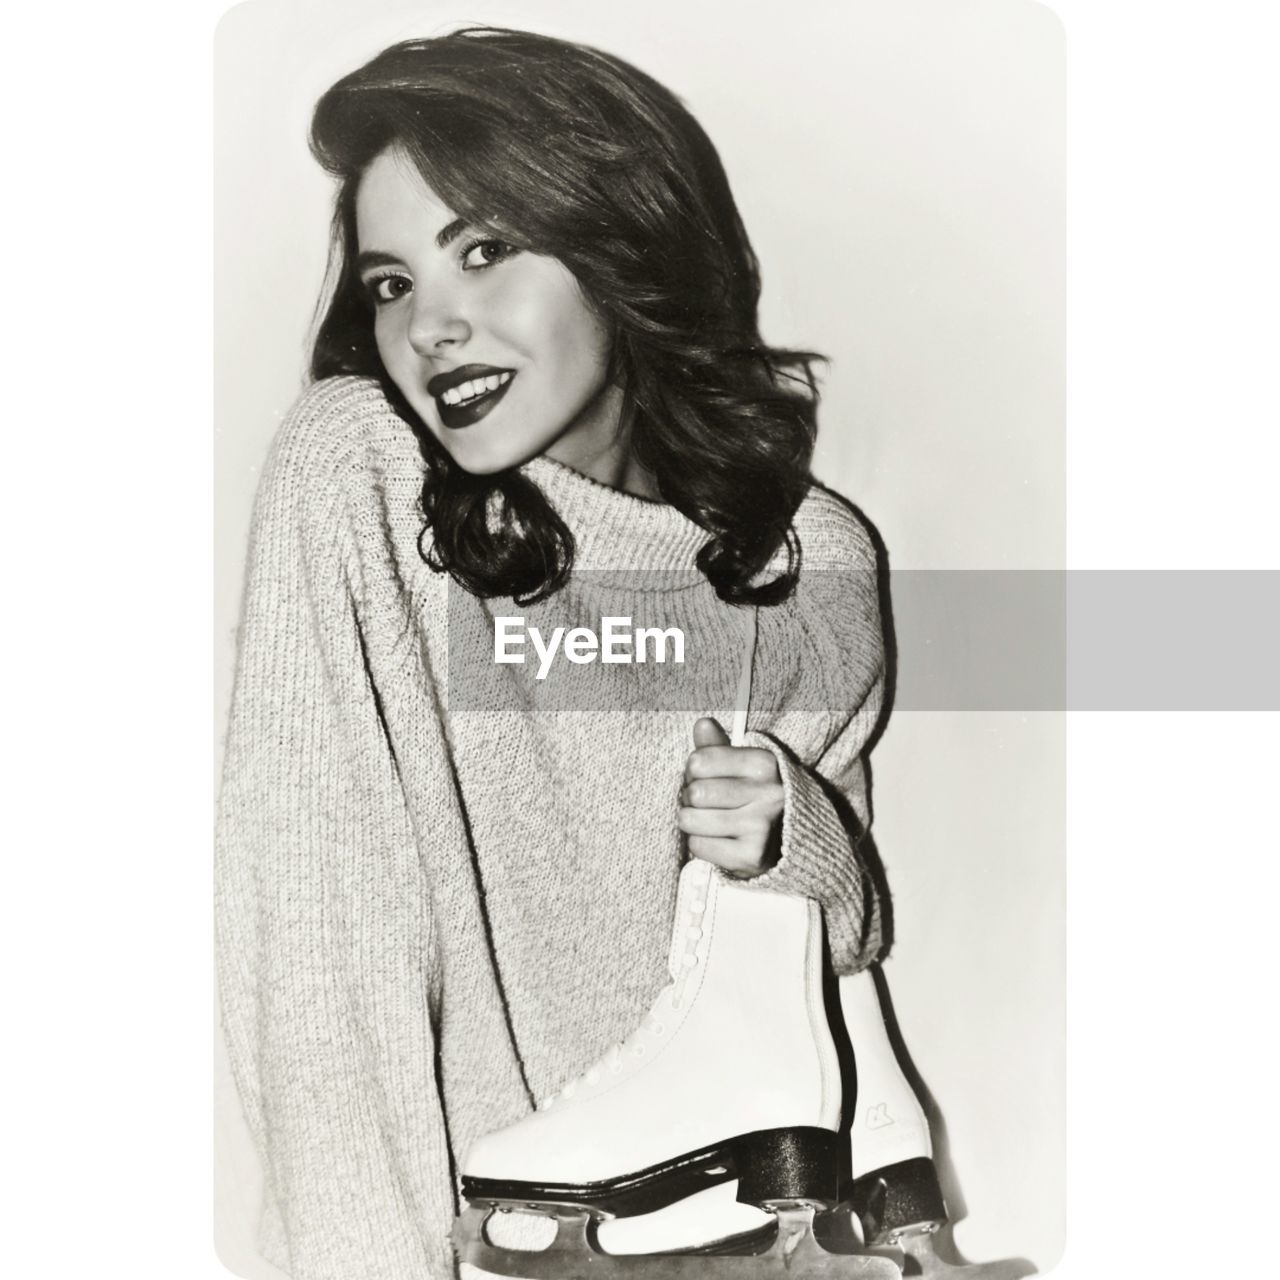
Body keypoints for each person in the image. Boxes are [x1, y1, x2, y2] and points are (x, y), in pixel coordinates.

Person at [216, 25, 888, 1280]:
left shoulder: (805, 560)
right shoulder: (355, 473)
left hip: (739, 1238)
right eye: (391, 282)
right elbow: (317, 961)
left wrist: (795, 830)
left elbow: (841, 945)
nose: (430, 327)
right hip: (492, 1245)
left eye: (483, 250)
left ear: (618, 241)